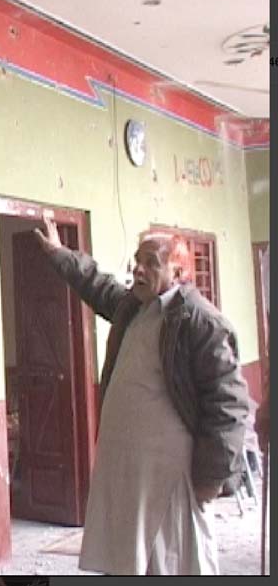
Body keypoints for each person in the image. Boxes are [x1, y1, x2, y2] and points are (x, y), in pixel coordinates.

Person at [33, 214, 249, 575]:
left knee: (174, 561)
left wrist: (212, 477)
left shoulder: (202, 322)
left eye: (152, 263)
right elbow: (97, 285)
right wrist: (60, 254)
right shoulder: (134, 307)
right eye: (138, 260)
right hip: (129, 474)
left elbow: (228, 405)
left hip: (170, 478)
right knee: (132, 561)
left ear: (179, 273)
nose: (139, 269)